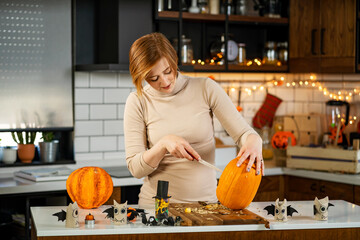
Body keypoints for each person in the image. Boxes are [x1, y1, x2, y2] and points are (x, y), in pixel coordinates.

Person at [124, 32, 264, 208]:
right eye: (154, 78)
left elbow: (244, 133)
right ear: (142, 77)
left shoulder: (206, 88)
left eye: (168, 71)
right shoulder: (137, 101)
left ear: (174, 60)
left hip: (207, 207)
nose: (165, 81)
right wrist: (163, 144)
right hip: (158, 209)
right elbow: (136, 169)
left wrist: (254, 140)